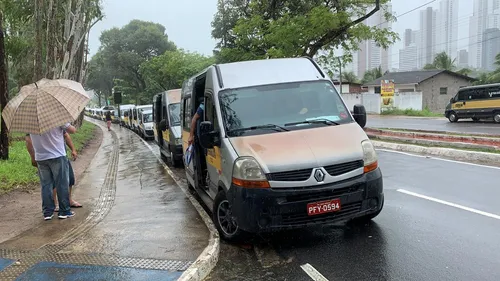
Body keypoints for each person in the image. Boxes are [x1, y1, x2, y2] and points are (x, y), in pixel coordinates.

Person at [25, 123, 77, 220]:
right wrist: (72, 125)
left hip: (41, 158)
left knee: (46, 185)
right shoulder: (57, 119)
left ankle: (47, 213)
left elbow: (28, 139)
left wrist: (33, 157)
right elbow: (72, 130)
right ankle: (64, 211)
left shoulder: (31, 122)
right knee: (61, 184)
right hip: (57, 155)